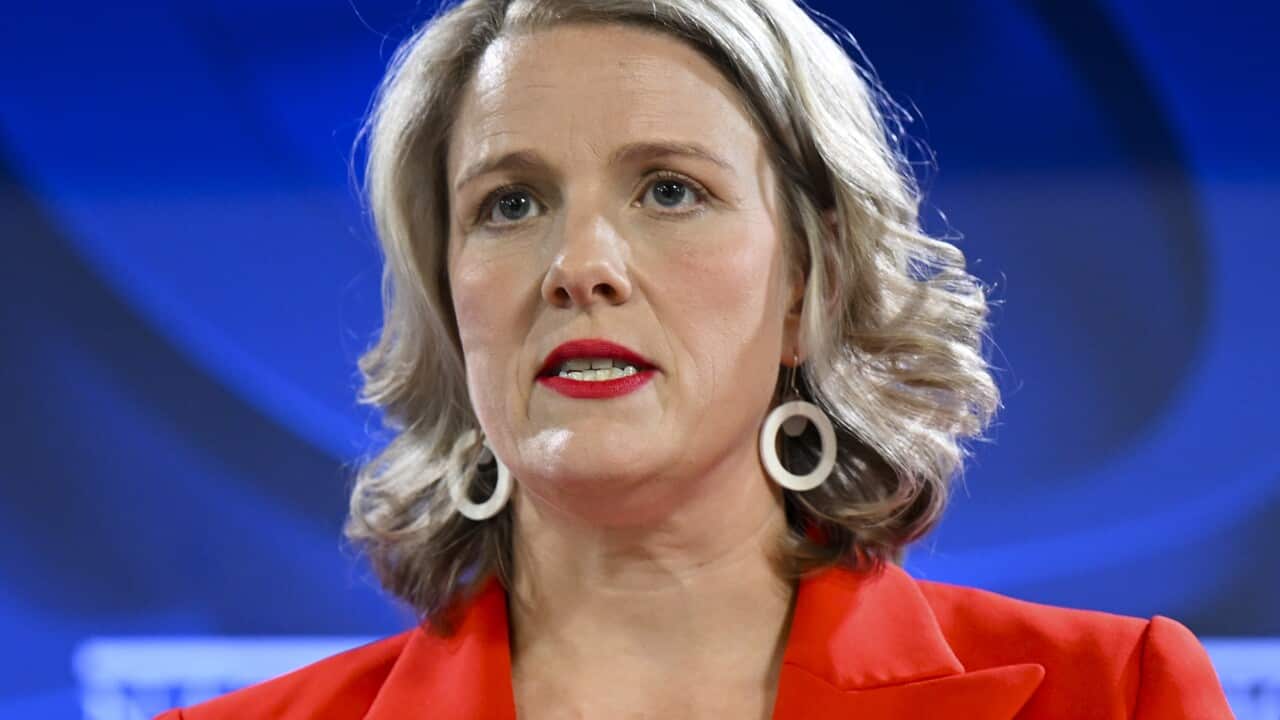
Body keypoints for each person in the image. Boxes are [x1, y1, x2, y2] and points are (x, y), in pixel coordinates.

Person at [156, 0, 1234, 717]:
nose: (579, 266)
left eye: (669, 190)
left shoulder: (1113, 694)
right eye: (510, 202)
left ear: (807, 284)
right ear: (447, 298)